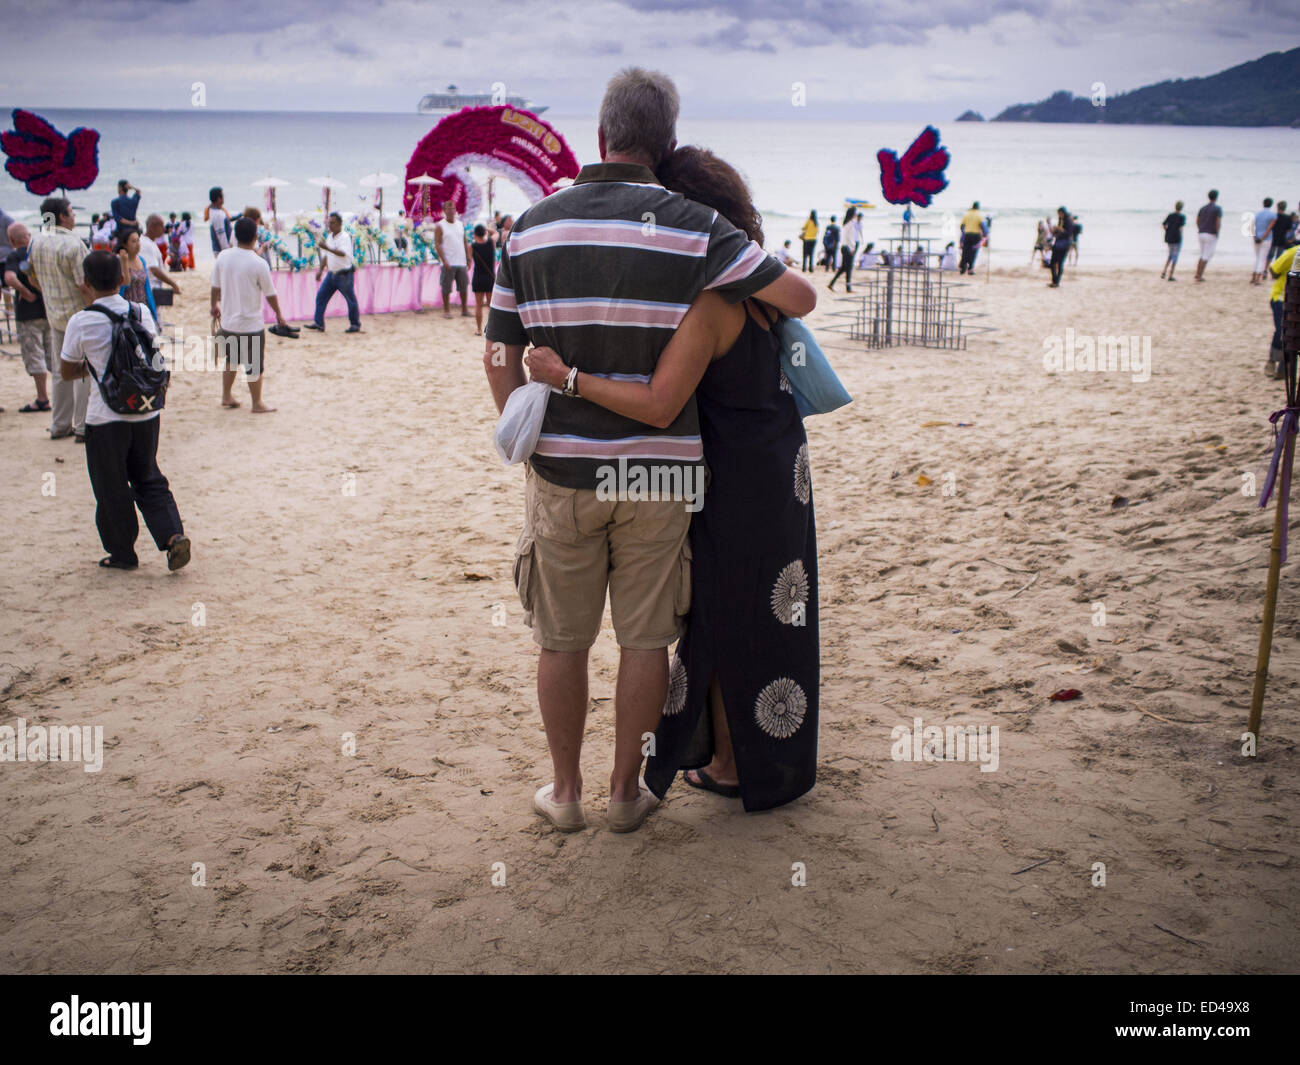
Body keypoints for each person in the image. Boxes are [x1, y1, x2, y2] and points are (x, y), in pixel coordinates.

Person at [483, 67, 816, 834]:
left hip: (564, 472)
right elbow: (797, 296)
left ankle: (564, 793)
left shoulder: (530, 227)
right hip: (660, 473)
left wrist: (526, 432)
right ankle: (624, 792)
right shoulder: (697, 228)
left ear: (599, 137)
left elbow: (497, 355)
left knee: (560, 639)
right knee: (646, 638)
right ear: (665, 145)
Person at [58, 250, 190, 572]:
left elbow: (66, 371)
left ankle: (123, 554)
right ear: (122, 278)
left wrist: (94, 369)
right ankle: (172, 536)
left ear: (84, 284)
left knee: (111, 485)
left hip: (105, 418)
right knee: (148, 475)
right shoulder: (141, 311)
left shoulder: (82, 321)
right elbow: (152, 355)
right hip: (145, 411)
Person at [27, 196, 91, 442]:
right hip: (79, 314)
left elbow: (32, 278)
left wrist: (51, 295)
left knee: (60, 371)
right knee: (83, 371)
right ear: (62, 217)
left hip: (55, 314)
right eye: (72, 212)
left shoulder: (37, 241)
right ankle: (83, 425)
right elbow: (84, 284)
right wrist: (95, 310)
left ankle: (59, 424)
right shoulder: (74, 244)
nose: (74, 216)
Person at [211, 215, 289, 411]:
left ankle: (226, 396)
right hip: (251, 323)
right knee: (254, 365)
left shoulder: (223, 257)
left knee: (231, 360)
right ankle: (257, 403)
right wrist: (279, 314)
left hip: (228, 321)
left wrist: (214, 305)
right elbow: (270, 294)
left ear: (235, 236)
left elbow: (215, 286)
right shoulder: (258, 263)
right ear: (255, 237)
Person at [5, 222, 53, 413]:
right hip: (49, 310)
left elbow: (9, 278)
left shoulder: (15, 255)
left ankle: (42, 398)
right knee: (52, 354)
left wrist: (24, 292)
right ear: (28, 235)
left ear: (12, 240)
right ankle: (60, 394)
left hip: (28, 312)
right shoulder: (42, 252)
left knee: (34, 354)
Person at [304, 212, 360, 333]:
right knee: (321, 297)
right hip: (332, 273)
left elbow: (342, 253)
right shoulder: (330, 237)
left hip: (344, 274)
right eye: (329, 223)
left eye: (333, 223)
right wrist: (320, 269)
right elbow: (326, 256)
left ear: (340, 224)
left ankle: (355, 324)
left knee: (350, 299)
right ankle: (318, 323)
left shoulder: (344, 237)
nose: (330, 225)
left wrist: (326, 248)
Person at [1266, 238, 1299, 379]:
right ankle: (1272, 361)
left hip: (1296, 301)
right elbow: (1273, 270)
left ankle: (1284, 368)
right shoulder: (1294, 253)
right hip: (1281, 298)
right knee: (1282, 331)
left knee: (1293, 335)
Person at [433, 201, 470, 319]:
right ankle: (446, 310)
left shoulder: (460, 224)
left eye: (453, 209)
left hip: (461, 261)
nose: (451, 211)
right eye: (448, 209)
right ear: (444, 211)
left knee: (463, 286)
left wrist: (468, 258)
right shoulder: (440, 225)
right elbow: (437, 244)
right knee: (446, 287)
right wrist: (444, 260)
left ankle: (464, 309)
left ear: (455, 210)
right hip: (448, 262)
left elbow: (464, 241)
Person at [116, 229, 158, 327]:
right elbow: (123, 284)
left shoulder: (142, 260)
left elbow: (146, 287)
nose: (138, 244)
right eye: (133, 241)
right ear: (125, 244)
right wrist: (124, 263)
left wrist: (152, 308)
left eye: (138, 240)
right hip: (127, 309)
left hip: (143, 307)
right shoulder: (119, 261)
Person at [139, 214, 180, 305]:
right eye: (161, 226)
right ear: (152, 227)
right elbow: (154, 269)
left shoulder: (151, 242)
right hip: (149, 287)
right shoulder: (146, 244)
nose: (163, 228)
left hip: (154, 286)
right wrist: (172, 283)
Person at [469, 222, 495, 336]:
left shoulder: (472, 246)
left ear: (475, 234)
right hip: (490, 277)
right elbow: (495, 233)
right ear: (484, 233)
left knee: (478, 305)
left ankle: (479, 329)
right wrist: (487, 229)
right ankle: (491, 329)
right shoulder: (491, 242)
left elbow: (469, 261)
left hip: (478, 277)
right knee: (491, 306)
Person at [827, 205, 860, 292]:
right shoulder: (851, 224)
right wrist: (853, 247)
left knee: (844, 268)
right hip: (848, 248)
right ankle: (848, 287)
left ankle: (832, 283)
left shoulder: (846, 224)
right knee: (848, 268)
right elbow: (850, 238)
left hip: (844, 247)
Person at [1194, 189, 1221, 282]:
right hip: (1210, 234)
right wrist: (1217, 233)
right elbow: (1218, 222)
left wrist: (1200, 228)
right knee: (1207, 255)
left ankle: (1197, 273)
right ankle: (1199, 275)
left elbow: (1197, 220)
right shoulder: (1217, 209)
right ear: (1216, 197)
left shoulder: (1202, 208)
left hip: (1201, 232)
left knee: (1202, 254)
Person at [1252, 197, 1278, 285]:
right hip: (1266, 239)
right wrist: (1262, 238)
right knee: (1262, 259)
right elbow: (1269, 228)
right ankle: (1258, 278)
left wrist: (1255, 237)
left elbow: (1253, 227)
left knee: (1257, 258)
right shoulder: (1272, 215)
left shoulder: (1257, 214)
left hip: (1256, 238)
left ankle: (1253, 276)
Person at [1161, 200, 1186, 281]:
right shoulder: (1182, 217)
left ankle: (1164, 271)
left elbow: (1164, 224)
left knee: (1170, 255)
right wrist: (1180, 237)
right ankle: (1170, 275)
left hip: (1169, 237)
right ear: (1181, 208)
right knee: (1175, 256)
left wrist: (1167, 231)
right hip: (1176, 238)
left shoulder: (1170, 215)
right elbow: (1180, 228)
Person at [1048, 207, 1072, 287]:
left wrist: (1060, 229)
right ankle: (1055, 280)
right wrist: (1050, 224)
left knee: (1060, 263)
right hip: (1058, 243)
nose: (1059, 215)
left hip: (1064, 244)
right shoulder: (1060, 221)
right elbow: (1054, 233)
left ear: (1063, 213)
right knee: (1052, 263)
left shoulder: (1068, 221)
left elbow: (1068, 233)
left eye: (1059, 213)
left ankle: (1057, 282)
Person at [959, 200, 983, 274]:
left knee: (965, 252)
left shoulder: (966, 214)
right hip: (976, 235)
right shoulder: (979, 215)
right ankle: (970, 269)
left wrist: (963, 234)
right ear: (978, 207)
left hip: (967, 235)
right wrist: (985, 235)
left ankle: (962, 268)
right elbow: (982, 226)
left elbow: (962, 226)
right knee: (973, 252)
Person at [207, 187, 232, 256]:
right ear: (219, 199)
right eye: (223, 196)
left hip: (219, 251)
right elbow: (221, 236)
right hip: (222, 252)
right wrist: (228, 252)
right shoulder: (218, 215)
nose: (224, 198)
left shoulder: (213, 211)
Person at [1270, 200, 1294, 265]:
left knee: (1270, 255)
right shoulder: (1288, 218)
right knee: (1279, 256)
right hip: (1282, 238)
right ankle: (1275, 268)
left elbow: (1270, 227)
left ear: (1277, 207)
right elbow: (1289, 230)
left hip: (1273, 237)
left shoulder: (1274, 216)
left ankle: (1265, 270)